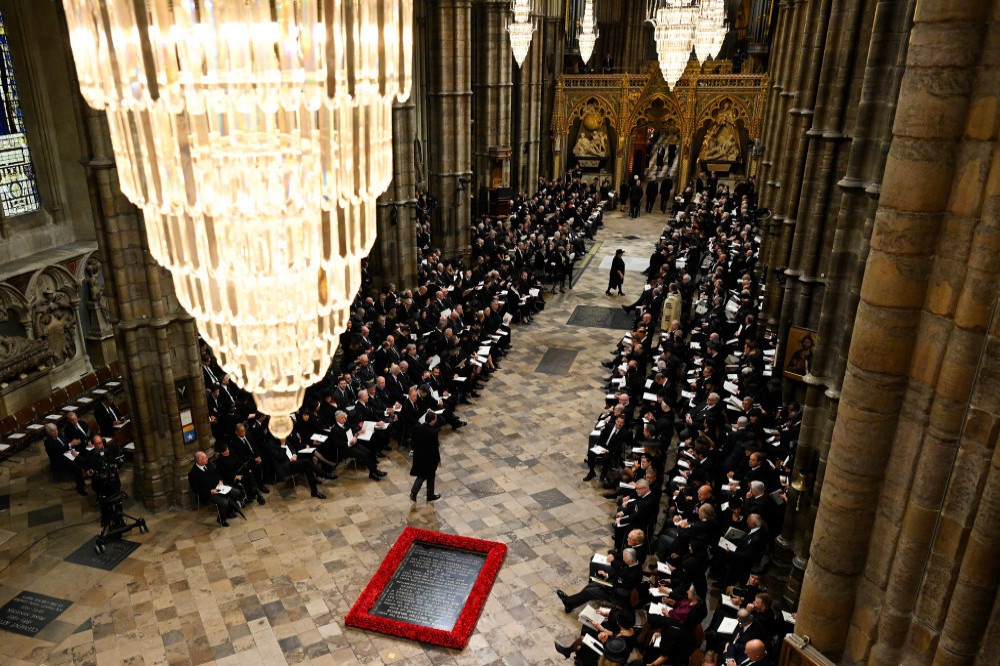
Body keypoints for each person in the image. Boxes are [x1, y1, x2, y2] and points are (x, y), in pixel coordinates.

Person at [188, 450, 245, 527]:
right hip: (207, 493)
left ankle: (229, 512)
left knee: (236, 492)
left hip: (217, 487)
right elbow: (196, 489)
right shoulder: (193, 474)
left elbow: (216, 473)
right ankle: (221, 519)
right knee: (224, 502)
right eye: (205, 458)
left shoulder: (207, 464)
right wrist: (210, 491)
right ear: (199, 461)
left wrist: (220, 481)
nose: (207, 459)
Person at [43, 423, 87, 495]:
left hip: (68, 454)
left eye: (56, 430)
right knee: (77, 468)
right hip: (59, 459)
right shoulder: (48, 442)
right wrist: (70, 445)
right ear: (48, 433)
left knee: (82, 460)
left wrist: (72, 450)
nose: (56, 432)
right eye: (53, 431)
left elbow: (68, 442)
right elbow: (59, 449)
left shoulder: (59, 435)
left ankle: (89, 474)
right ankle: (80, 487)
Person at [409, 410, 442, 502]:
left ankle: (414, 493)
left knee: (421, 475)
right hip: (429, 459)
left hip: (418, 456)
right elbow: (435, 448)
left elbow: (412, 442)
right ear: (432, 421)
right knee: (429, 475)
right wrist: (438, 460)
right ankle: (429, 494)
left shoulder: (417, 428)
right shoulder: (433, 432)